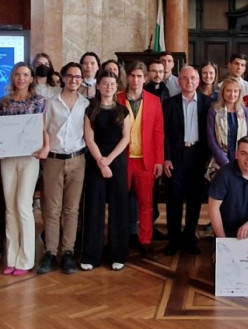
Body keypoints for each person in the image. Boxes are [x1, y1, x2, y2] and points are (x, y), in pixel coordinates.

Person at [37, 61, 90, 275]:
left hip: (77, 160)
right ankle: (50, 252)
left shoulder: (86, 104)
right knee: (52, 209)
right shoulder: (50, 103)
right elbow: (43, 129)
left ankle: (68, 252)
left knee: (72, 209)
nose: (74, 80)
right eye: (70, 76)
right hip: (53, 159)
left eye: (78, 77)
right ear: (63, 77)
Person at [0, 62, 49, 275]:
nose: (21, 78)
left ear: (31, 78)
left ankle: (26, 259)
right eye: (17, 74)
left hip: (30, 157)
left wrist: (46, 147)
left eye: (25, 74)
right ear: (12, 78)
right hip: (8, 158)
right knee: (10, 208)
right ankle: (12, 257)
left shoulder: (39, 101)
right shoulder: (4, 102)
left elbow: (44, 127)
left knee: (23, 206)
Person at [82, 71, 133, 270]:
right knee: (93, 207)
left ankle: (118, 254)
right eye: (105, 83)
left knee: (119, 207)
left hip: (117, 161)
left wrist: (109, 160)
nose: (108, 87)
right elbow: (89, 138)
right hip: (95, 160)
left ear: (116, 87)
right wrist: (100, 162)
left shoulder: (123, 111)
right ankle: (91, 255)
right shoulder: (91, 109)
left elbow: (126, 138)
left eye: (112, 84)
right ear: (98, 86)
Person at [162, 65, 212, 255]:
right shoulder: (169, 104)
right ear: (179, 81)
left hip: (199, 156)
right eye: (184, 78)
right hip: (176, 156)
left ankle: (190, 237)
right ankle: (173, 240)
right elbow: (164, 134)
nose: (189, 81)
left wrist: (209, 158)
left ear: (198, 81)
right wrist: (166, 158)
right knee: (173, 198)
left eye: (192, 78)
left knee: (195, 199)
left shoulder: (208, 103)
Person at [120, 61, 165, 257]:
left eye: (139, 76)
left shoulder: (154, 101)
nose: (136, 80)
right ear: (127, 78)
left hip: (146, 160)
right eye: (132, 76)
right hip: (122, 159)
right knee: (120, 201)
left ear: (145, 78)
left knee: (146, 203)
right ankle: (119, 239)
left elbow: (158, 132)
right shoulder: (116, 99)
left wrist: (159, 161)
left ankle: (145, 240)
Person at [207, 77, 248, 173]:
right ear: (223, 92)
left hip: (241, 159)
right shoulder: (214, 111)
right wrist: (224, 162)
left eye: (235, 91)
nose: (232, 94)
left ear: (239, 93)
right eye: (228, 90)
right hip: (219, 160)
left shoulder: (245, 111)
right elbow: (211, 139)